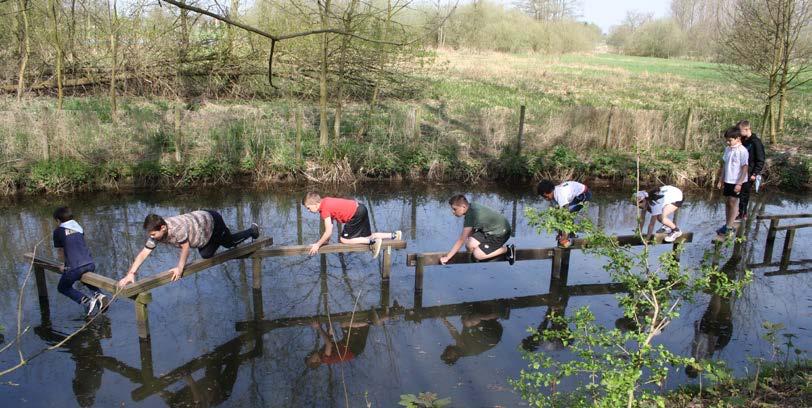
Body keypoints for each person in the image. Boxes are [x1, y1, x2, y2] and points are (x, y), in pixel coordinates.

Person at [117, 211, 259, 287]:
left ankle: (252, 230)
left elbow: (185, 248)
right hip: (202, 230)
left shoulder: (176, 228)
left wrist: (179, 268)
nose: (152, 237)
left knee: (228, 244)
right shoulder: (158, 234)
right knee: (206, 254)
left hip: (213, 221)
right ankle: (222, 236)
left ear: (163, 227)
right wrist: (131, 273)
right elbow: (144, 253)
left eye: (153, 234)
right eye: (150, 235)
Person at [302, 192, 401, 259]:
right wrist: (325, 242)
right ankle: (394, 235)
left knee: (344, 240)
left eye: (308, 208)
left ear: (315, 204)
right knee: (367, 235)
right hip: (361, 208)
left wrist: (317, 245)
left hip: (355, 214)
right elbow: (330, 227)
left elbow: (328, 231)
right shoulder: (326, 201)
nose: (308, 211)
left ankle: (373, 242)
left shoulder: (324, 210)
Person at [52, 207, 108, 316]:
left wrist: (64, 265)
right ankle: (99, 295)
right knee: (84, 278)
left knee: (63, 287)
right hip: (90, 263)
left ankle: (85, 301)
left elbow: (61, 250)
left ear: (58, 220)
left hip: (74, 267)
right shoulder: (79, 227)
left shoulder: (58, 231)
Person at [440, 195, 515, 265]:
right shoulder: (471, 206)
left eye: (454, 209)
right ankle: (475, 263)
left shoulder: (471, 215)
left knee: (478, 255)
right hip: (490, 230)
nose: (453, 212)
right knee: (470, 244)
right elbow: (471, 232)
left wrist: (447, 257)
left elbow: (461, 240)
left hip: (501, 233)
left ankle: (508, 249)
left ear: (463, 206)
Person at [440, 303, 506, 364]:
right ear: (454, 357)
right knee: (468, 321)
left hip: (493, 334)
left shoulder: (461, 348)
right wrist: (444, 320)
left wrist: (445, 321)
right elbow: (455, 334)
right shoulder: (461, 350)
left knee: (466, 320)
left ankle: (489, 312)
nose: (448, 352)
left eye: (446, 353)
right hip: (490, 337)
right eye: (449, 355)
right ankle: (498, 314)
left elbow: (456, 334)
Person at [536, 180, 592, 248]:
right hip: (575, 197)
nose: (546, 199)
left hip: (584, 194)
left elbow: (566, 215)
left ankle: (569, 236)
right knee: (561, 214)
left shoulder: (559, 194)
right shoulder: (554, 195)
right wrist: (559, 233)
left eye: (545, 197)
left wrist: (564, 236)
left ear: (545, 194)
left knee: (569, 214)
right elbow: (559, 216)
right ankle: (569, 235)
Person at [716, 127, 749, 238]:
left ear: (738, 138)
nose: (728, 142)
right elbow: (725, 165)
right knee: (727, 202)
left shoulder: (742, 151)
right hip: (728, 180)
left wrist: (739, 183)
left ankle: (730, 228)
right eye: (727, 140)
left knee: (733, 202)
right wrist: (721, 179)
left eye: (730, 140)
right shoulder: (728, 149)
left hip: (738, 181)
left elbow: (745, 168)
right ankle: (727, 224)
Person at [736, 120, 766, 221]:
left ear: (747, 129)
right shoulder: (744, 140)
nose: (739, 133)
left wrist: (755, 173)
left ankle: (743, 214)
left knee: (744, 194)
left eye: (740, 130)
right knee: (739, 193)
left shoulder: (756, 142)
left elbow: (761, 160)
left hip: (750, 172)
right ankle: (739, 212)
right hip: (741, 171)